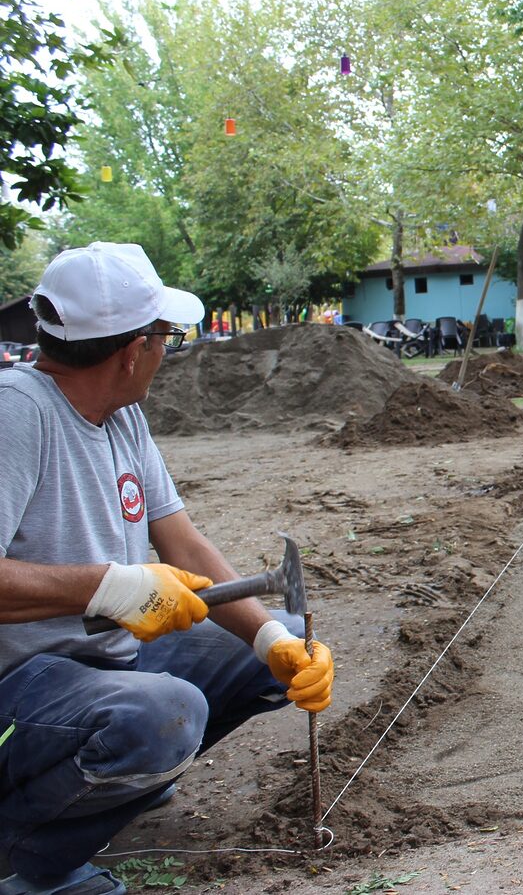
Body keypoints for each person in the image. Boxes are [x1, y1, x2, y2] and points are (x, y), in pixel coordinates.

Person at [0, 243, 334, 895]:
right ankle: (34, 864)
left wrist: (272, 640)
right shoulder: (17, 412)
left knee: (274, 639)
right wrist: (108, 586)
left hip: (99, 669)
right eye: (164, 336)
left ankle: (112, 777)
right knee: (166, 715)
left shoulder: (122, 416)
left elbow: (181, 541)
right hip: (18, 689)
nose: (168, 348)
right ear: (133, 350)